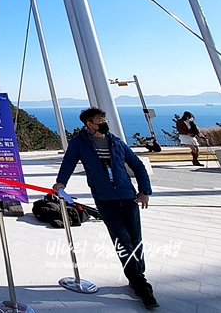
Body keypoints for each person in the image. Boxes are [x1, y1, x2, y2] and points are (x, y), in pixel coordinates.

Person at [53, 107, 158, 310]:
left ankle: (137, 276)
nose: (103, 121)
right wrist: (61, 183)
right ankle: (141, 284)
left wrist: (144, 190)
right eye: (99, 119)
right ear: (89, 124)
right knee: (122, 239)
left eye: (103, 118)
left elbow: (137, 165)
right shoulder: (80, 143)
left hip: (128, 197)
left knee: (135, 238)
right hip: (105, 198)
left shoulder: (116, 142)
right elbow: (68, 163)